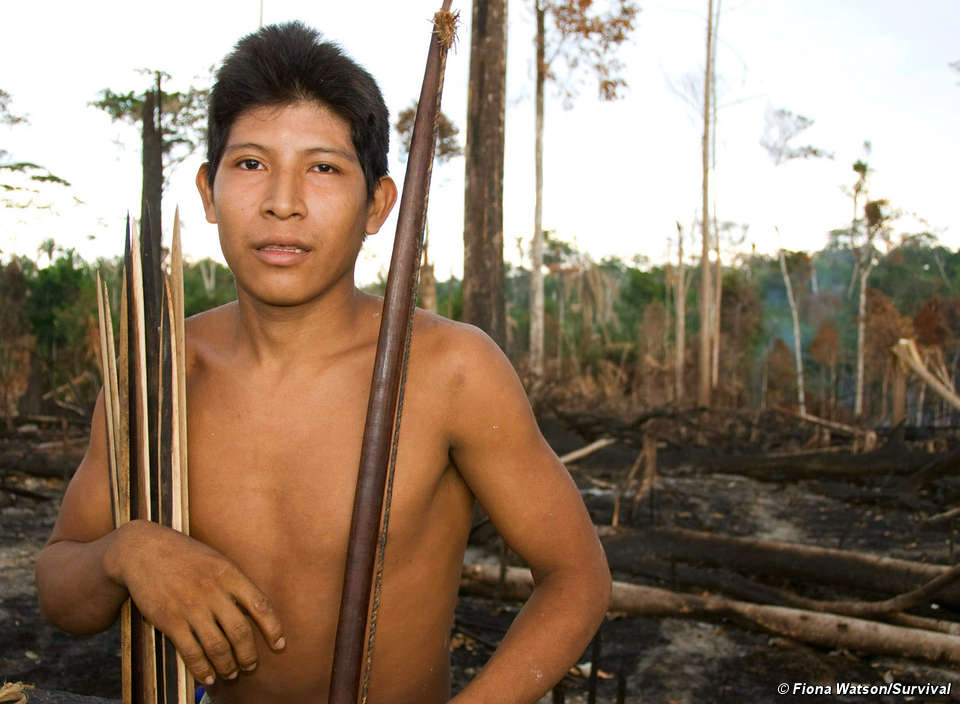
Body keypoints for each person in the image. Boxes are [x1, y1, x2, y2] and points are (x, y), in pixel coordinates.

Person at [35, 21, 610, 704]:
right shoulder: (159, 377)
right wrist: (125, 553)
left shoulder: (449, 371)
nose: (283, 201)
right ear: (209, 192)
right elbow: (60, 589)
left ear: (377, 205)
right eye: (250, 163)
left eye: (323, 167)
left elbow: (577, 578)